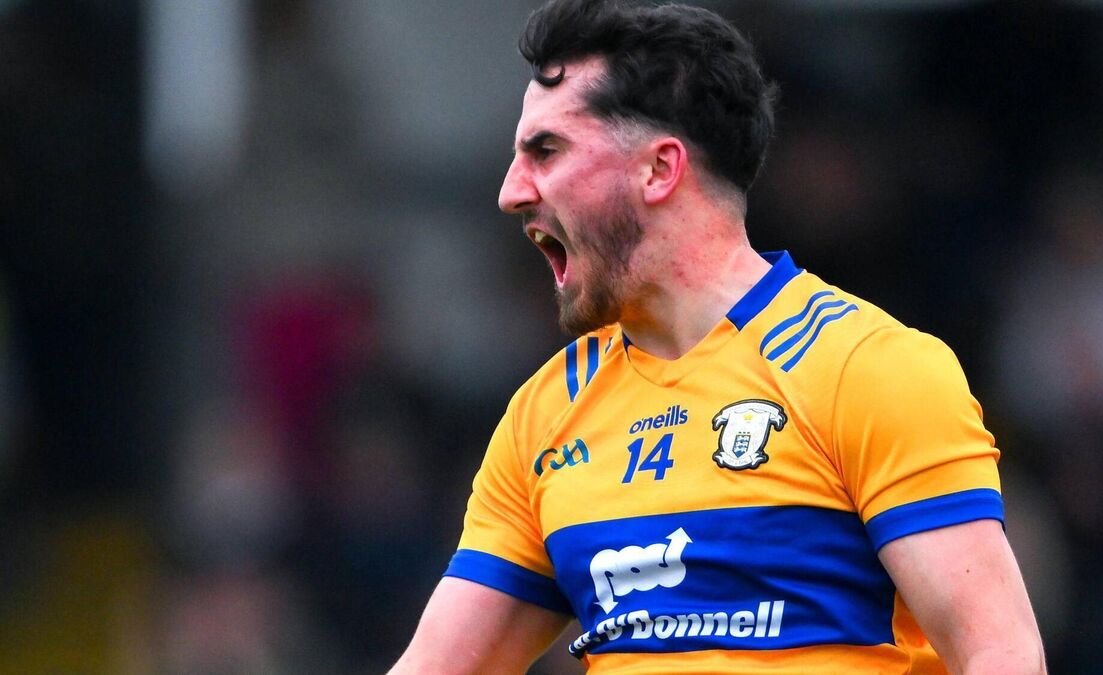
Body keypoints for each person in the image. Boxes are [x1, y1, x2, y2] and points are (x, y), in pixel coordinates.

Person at [389, 0, 1045, 672]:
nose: (511, 191)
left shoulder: (867, 368)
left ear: (658, 170)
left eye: (546, 151)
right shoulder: (546, 414)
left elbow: (1001, 652)